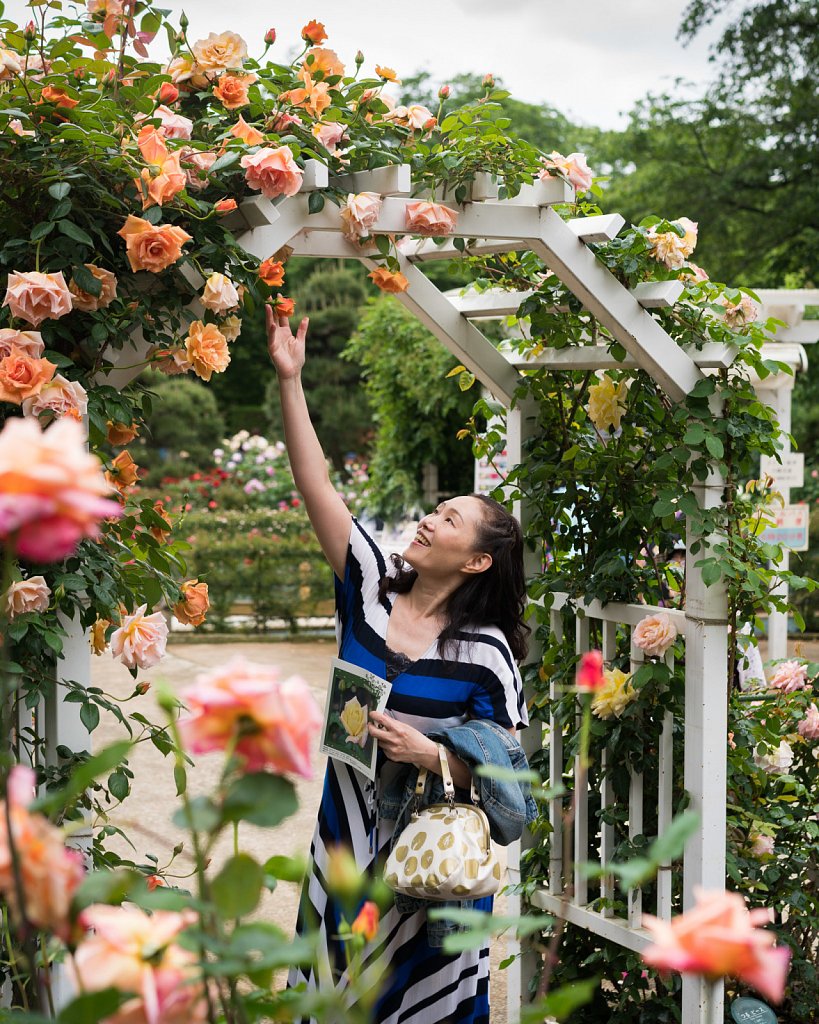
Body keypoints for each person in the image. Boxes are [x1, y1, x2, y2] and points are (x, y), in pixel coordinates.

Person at [267, 307, 530, 1024]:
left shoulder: (486, 654)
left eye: (447, 520)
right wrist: (290, 380)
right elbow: (314, 481)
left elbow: (511, 779)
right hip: (344, 843)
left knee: (424, 1010)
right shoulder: (369, 585)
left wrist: (433, 756)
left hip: (427, 870)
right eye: (434, 509)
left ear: (475, 560)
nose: (427, 520)